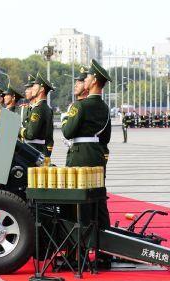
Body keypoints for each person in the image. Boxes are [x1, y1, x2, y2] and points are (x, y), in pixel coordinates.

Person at [61, 59, 112, 268]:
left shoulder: (81, 105)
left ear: (93, 81)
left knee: (78, 205)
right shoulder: (105, 107)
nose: (86, 79)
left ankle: (78, 254)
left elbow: (67, 131)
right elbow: (106, 137)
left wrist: (65, 120)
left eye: (89, 77)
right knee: (99, 203)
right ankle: (104, 252)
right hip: (97, 155)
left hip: (80, 156)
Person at [19, 72, 54, 156]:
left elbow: (30, 134)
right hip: (42, 150)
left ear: (41, 89)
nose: (32, 89)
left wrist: (17, 129)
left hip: (33, 149)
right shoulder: (47, 108)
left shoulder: (38, 109)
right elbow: (49, 137)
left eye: (34, 86)